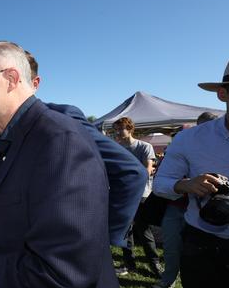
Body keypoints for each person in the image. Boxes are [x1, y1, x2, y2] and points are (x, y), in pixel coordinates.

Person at [0, 41, 123, 288]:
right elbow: (20, 224)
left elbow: (62, 274)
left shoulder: (59, 140)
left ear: (11, 78)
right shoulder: (18, 139)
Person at [26, 52, 147, 248]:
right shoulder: (3, 132)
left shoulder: (61, 118)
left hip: (60, 249)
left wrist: (105, 237)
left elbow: (132, 172)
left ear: (33, 83)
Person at [153, 54, 229, 288]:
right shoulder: (189, 139)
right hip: (204, 246)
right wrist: (187, 184)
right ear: (222, 94)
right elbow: (161, 184)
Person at [152, 112, 218, 288]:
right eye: (201, 126)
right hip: (176, 206)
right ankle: (169, 279)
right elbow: (162, 180)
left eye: (209, 126)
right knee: (172, 245)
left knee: (202, 251)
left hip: (207, 210)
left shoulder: (222, 148)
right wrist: (185, 183)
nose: (204, 131)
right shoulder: (186, 144)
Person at [111, 117, 162, 277]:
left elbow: (147, 171)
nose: (118, 132)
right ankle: (129, 264)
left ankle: (155, 265)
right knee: (126, 232)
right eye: (116, 130)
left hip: (141, 195)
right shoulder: (117, 148)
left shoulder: (144, 146)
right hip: (123, 195)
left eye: (121, 129)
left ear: (130, 129)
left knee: (144, 231)